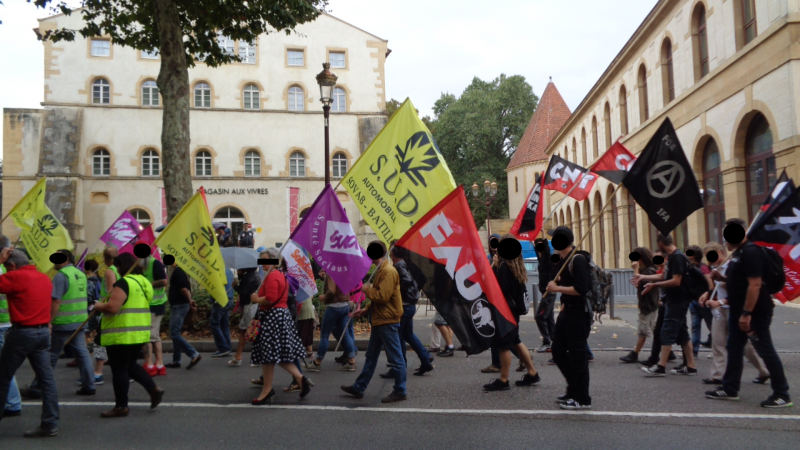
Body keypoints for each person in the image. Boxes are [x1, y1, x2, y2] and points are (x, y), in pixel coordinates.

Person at [705, 218, 792, 407]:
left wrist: (747, 313)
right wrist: (722, 277)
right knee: (734, 348)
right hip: (738, 310)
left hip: (754, 312)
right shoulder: (739, 254)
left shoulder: (751, 252)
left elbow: (755, 284)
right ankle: (730, 388)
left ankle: (782, 394)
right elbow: (741, 281)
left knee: (765, 349)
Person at [92, 253, 165, 418]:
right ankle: (153, 389)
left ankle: (121, 406)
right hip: (139, 333)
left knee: (119, 370)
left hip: (121, 333)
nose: (116, 270)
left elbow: (112, 307)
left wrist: (97, 305)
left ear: (120, 266)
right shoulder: (144, 282)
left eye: (117, 267)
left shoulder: (124, 283)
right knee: (130, 366)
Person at [0, 248, 59, 437]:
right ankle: (49, 424)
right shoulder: (43, 278)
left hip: (22, 332)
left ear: (12, 265)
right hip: (42, 332)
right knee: (47, 381)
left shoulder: (16, 277)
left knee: (3, 379)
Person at [341, 241, 407, 403]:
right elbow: (383, 296)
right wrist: (366, 309)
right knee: (371, 356)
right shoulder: (383, 270)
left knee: (395, 357)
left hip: (387, 320)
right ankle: (359, 387)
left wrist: (366, 290)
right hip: (381, 319)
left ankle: (400, 390)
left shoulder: (388, 271)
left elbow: (382, 296)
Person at [24, 249, 95, 398]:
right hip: (79, 320)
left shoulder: (61, 276)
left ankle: (38, 386)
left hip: (63, 321)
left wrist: (48, 320)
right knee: (82, 353)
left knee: (51, 355)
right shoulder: (80, 274)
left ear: (64, 260)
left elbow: (56, 300)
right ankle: (89, 385)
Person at [698, 241, 769, 385]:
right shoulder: (717, 267)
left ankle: (763, 370)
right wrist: (709, 293)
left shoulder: (733, 265)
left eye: (710, 255)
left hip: (733, 308)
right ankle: (717, 374)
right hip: (720, 310)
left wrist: (721, 301)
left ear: (719, 252)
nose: (709, 259)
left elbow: (737, 289)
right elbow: (719, 285)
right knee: (718, 342)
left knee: (744, 346)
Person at [249, 249, 310, 405]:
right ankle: (301, 379)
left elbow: (270, 298)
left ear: (274, 261)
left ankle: (267, 390)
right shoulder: (280, 275)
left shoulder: (273, 276)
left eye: (265, 260)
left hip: (272, 318)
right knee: (279, 355)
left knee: (268, 356)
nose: (262, 263)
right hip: (279, 317)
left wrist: (256, 299)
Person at [633, 234, 698, 377]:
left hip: (677, 300)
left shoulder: (677, 257)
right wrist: (644, 277)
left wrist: (654, 284)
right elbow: (665, 276)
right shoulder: (673, 258)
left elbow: (676, 281)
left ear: (661, 243)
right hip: (674, 300)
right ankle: (691, 366)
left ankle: (661, 367)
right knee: (683, 334)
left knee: (666, 332)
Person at [484, 235, 540, 392]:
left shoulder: (504, 268)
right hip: (513, 311)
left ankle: (503, 379)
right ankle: (532, 372)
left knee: (503, 346)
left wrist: (493, 267)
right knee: (515, 341)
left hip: (506, 312)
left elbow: (495, 288)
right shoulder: (516, 265)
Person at [546, 226, 593, 410]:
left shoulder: (578, 260)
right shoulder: (565, 261)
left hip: (579, 314)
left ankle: (582, 398)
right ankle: (573, 388)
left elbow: (582, 289)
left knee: (577, 356)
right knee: (557, 351)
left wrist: (557, 289)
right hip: (567, 312)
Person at [380, 246, 433, 378]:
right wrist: (415, 292)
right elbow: (421, 278)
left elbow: (406, 281)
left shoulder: (399, 266)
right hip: (409, 305)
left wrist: (396, 293)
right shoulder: (408, 264)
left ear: (393, 254)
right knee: (407, 334)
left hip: (403, 306)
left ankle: (399, 366)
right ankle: (425, 358)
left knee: (397, 337)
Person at [305, 273, 357, 372]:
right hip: (345, 305)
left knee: (324, 335)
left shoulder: (332, 271)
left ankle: (317, 362)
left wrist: (324, 297)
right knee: (345, 334)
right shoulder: (344, 271)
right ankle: (352, 362)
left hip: (334, 307)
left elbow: (332, 290)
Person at [620, 247, 660, 363]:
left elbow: (639, 285)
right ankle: (669, 352)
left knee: (643, 331)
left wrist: (635, 269)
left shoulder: (649, 271)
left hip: (647, 305)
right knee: (655, 330)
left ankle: (634, 354)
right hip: (650, 304)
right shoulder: (650, 270)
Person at [164, 261, 202, 370]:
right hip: (179, 305)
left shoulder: (179, 271)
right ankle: (176, 360)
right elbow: (185, 289)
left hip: (179, 306)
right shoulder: (181, 271)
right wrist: (189, 301)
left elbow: (184, 289)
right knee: (176, 333)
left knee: (174, 334)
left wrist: (189, 301)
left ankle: (194, 354)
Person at [0, 236, 21, 420]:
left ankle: (13, 402)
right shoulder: (7, 267)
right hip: (7, 320)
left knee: (4, 366)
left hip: (1, 322)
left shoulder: (2, 267)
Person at [141, 254, 168, 377]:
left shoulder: (154, 263)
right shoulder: (141, 264)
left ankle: (151, 365)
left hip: (156, 304)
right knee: (152, 335)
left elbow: (163, 281)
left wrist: (146, 285)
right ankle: (158, 365)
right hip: (148, 305)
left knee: (149, 335)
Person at [230, 267, 261, 367]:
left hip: (250, 305)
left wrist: (235, 287)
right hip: (252, 305)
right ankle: (241, 356)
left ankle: (239, 356)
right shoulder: (253, 274)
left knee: (245, 330)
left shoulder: (249, 276)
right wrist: (239, 274)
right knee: (251, 330)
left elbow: (245, 293)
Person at [687, 245, 713, 358]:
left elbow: (710, 284)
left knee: (712, 326)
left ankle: (718, 350)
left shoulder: (702, 268)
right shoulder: (692, 267)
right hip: (694, 301)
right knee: (695, 326)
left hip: (703, 302)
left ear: (692, 255)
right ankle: (694, 352)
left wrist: (707, 294)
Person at [534, 235, 556, 354]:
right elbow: (538, 250)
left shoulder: (547, 257)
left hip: (549, 291)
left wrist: (543, 235)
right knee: (549, 318)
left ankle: (547, 342)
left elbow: (546, 250)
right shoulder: (541, 258)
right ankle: (554, 341)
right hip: (546, 291)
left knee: (540, 316)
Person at [210, 265, 235, 358]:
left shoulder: (216, 269)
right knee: (224, 324)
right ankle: (227, 348)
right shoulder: (228, 269)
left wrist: (212, 300)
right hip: (229, 297)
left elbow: (214, 286)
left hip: (220, 299)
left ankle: (223, 348)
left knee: (214, 324)